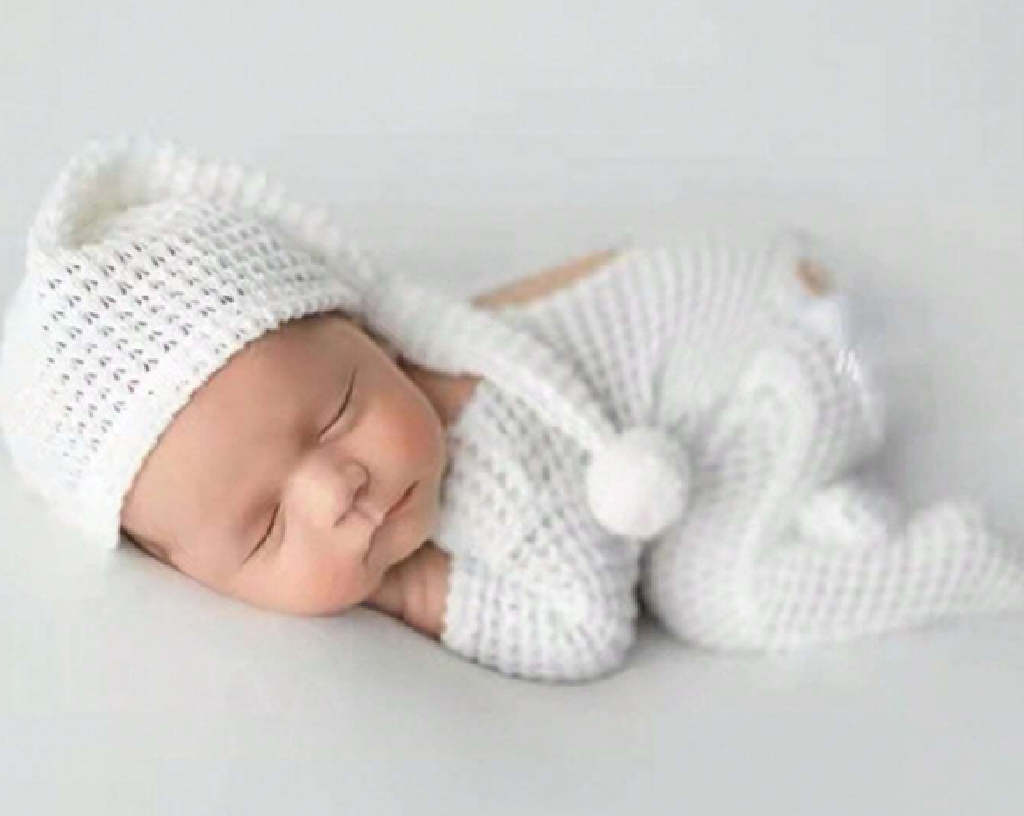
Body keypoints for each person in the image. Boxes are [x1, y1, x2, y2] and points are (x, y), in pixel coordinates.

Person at [2, 137, 1021, 683]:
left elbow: (587, 625)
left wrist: (416, 591)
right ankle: (811, 507)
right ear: (182, 566)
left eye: (337, 412)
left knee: (711, 593)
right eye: (264, 526)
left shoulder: (487, 455)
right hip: (752, 322)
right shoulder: (412, 373)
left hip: (790, 351)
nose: (335, 487)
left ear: (370, 332)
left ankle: (947, 563)